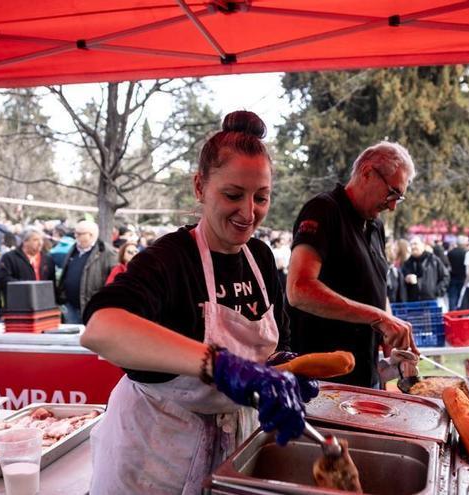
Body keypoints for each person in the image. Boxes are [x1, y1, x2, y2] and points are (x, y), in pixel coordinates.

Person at [80, 111, 313, 494]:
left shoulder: (261, 258)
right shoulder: (170, 259)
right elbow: (101, 328)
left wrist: (284, 373)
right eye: (233, 195)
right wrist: (218, 365)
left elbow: (277, 342)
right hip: (153, 455)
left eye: (262, 197)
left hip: (232, 449)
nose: (248, 212)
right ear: (200, 186)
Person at [286, 141, 419, 389]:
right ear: (367, 172)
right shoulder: (324, 210)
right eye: (392, 193)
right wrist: (378, 317)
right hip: (321, 385)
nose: (392, 206)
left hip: (363, 378)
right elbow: (298, 289)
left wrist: (391, 328)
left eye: (398, 198)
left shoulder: (375, 226)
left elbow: (375, 288)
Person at [57, 220, 117, 324]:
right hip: (71, 307)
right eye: (75, 233)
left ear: (91, 235)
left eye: (79, 234)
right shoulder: (74, 249)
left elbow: (113, 281)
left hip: (91, 308)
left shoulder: (107, 253)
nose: (75, 236)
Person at [0, 227, 57, 308]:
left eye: (41, 240)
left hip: (43, 304)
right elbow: (4, 280)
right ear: (25, 241)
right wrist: (28, 288)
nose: (40, 243)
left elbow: (52, 283)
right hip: (19, 304)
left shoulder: (47, 259)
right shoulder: (9, 258)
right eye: (35, 240)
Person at [402, 236, 449, 302]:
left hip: (431, 301)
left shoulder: (433, 260)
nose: (413, 247)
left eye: (415, 244)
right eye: (411, 244)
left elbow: (445, 276)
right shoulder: (407, 263)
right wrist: (406, 279)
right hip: (413, 302)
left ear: (422, 245)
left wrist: (436, 292)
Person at [446, 236, 469, 310]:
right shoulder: (466, 253)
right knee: (460, 296)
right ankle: (459, 311)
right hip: (462, 277)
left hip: (452, 276)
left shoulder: (450, 253)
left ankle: (452, 311)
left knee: (452, 296)